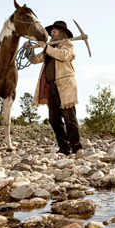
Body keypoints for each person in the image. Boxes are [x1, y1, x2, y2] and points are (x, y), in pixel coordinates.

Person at [27, 20, 82, 155]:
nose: (51, 33)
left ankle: (76, 146)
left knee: (69, 118)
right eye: (51, 32)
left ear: (61, 33)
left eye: (54, 31)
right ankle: (64, 147)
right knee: (54, 119)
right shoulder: (49, 48)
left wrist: (46, 47)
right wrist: (28, 50)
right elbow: (35, 60)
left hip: (65, 87)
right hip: (51, 87)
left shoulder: (67, 45)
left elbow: (62, 56)